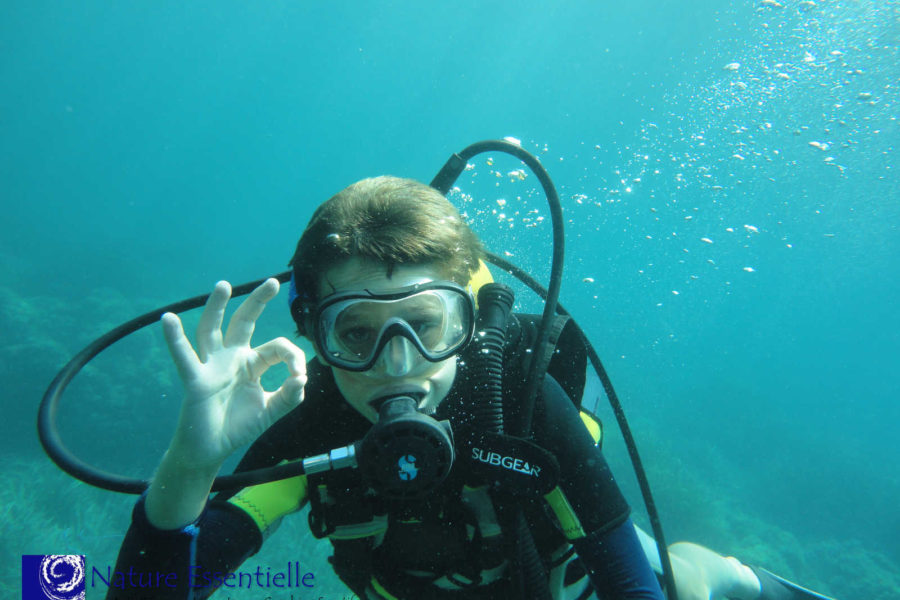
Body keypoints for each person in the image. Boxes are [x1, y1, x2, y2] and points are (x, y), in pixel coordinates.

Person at [108, 176, 830, 600]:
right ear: (314, 333)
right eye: (356, 333)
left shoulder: (520, 400)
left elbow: (628, 588)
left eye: (426, 324)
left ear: (470, 320)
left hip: (565, 588)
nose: (398, 365)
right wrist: (191, 465)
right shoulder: (314, 425)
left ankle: (730, 571)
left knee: (681, 581)